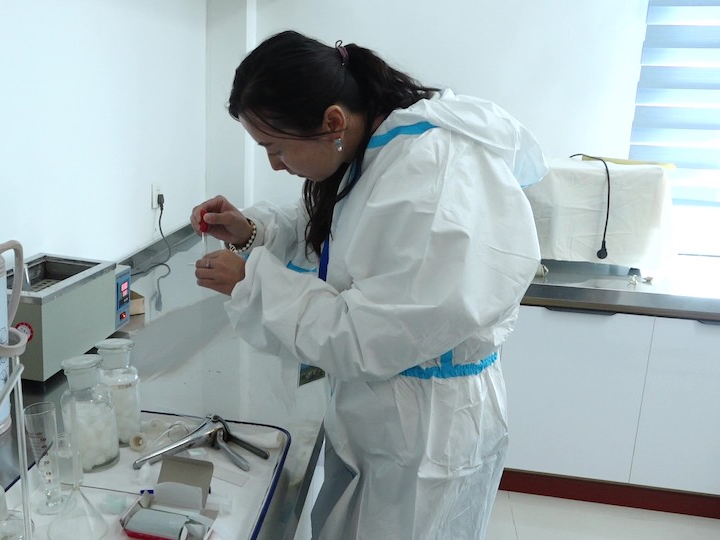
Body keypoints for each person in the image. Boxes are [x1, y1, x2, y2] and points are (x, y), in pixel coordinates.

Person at [191, 30, 546, 539]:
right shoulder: (382, 147)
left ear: (332, 121)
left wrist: (253, 284)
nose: (274, 164)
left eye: (275, 147)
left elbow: (362, 336)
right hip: (387, 415)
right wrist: (253, 232)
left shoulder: (428, 178)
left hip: (425, 433)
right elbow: (343, 236)